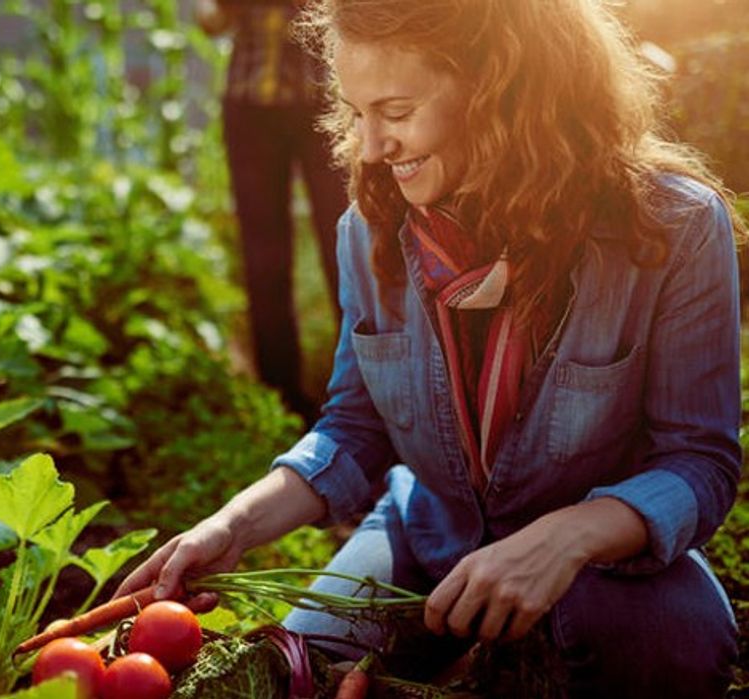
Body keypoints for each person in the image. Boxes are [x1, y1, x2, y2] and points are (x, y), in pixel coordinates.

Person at [119, 0, 744, 695]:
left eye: (394, 110)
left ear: (503, 91)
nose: (368, 149)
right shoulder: (369, 228)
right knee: (303, 667)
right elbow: (355, 429)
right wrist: (232, 525)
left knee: (677, 650)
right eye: (356, 114)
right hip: (426, 534)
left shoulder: (672, 229)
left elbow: (699, 461)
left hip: (599, 561)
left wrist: (567, 536)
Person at [196, 0, 350, 422]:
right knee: (263, 259)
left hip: (322, 101)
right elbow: (210, 20)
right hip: (250, 107)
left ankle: (360, 391)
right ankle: (281, 399)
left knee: (345, 246)